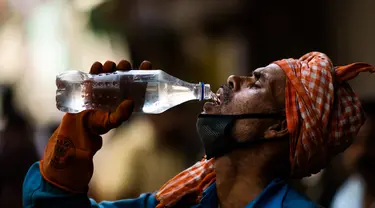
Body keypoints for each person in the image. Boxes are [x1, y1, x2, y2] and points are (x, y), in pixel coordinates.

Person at [23, 52, 375, 208]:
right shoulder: (179, 202)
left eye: (255, 83)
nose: (233, 80)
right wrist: (75, 140)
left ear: (280, 127)